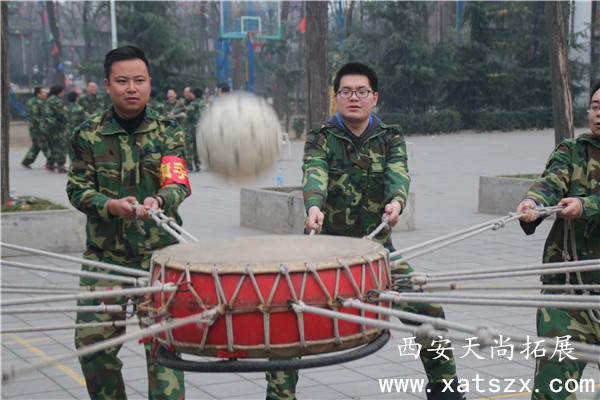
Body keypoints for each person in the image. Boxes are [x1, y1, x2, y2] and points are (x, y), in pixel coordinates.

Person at [275, 62, 464, 400]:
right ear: (336, 98)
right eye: (346, 91)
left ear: (374, 97)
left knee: (428, 309)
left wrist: (396, 201)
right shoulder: (321, 136)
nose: (354, 97)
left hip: (378, 250)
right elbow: (314, 172)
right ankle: (280, 396)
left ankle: (445, 390)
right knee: (289, 315)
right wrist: (313, 205)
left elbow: (398, 172)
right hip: (323, 248)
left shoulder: (390, 136)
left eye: (362, 91)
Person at [66, 45, 190, 400]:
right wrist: (111, 206)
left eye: (139, 80)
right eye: (122, 81)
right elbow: (77, 190)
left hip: (159, 260)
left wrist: (159, 200)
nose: (131, 88)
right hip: (105, 260)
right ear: (107, 84)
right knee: (92, 350)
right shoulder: (87, 134)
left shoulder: (169, 131)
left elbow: (177, 182)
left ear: (150, 83)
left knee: (165, 353)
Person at [516, 80, 600, 400]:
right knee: (552, 387)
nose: (598, 113)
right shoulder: (572, 150)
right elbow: (552, 180)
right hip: (566, 293)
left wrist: (584, 206)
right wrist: (534, 204)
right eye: (595, 106)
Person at [40, 84, 68, 173]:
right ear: (59, 92)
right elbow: (62, 114)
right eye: (62, 91)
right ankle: (61, 166)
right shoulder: (58, 101)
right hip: (56, 127)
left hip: (46, 127)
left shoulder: (48, 100)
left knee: (51, 146)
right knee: (61, 146)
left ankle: (50, 164)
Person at [21, 87, 47, 169]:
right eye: (43, 92)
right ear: (38, 94)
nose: (45, 94)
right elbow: (36, 118)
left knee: (36, 145)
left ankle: (26, 161)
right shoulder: (38, 103)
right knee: (44, 144)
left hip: (33, 127)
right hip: (37, 128)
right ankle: (52, 161)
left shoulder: (30, 101)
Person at [183, 87, 205, 172]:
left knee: (190, 148)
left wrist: (183, 115)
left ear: (194, 94)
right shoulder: (203, 102)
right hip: (201, 128)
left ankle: (189, 167)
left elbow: (188, 116)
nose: (191, 95)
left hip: (192, 128)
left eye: (192, 93)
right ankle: (198, 165)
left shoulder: (193, 103)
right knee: (197, 147)